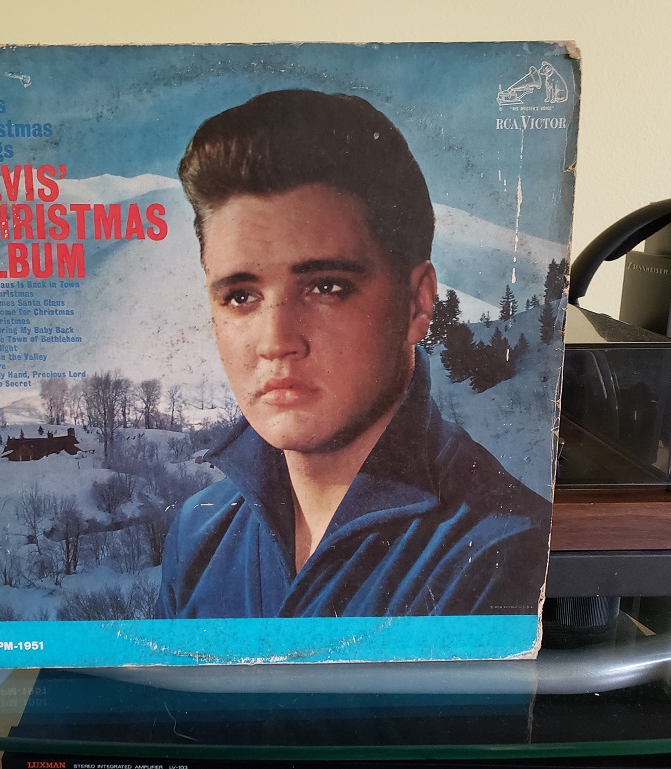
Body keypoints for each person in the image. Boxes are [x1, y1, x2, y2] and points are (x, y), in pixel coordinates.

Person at [158, 89, 551, 619]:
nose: (276, 342)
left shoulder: (498, 553)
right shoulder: (197, 534)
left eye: (326, 287)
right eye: (240, 296)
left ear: (416, 304)